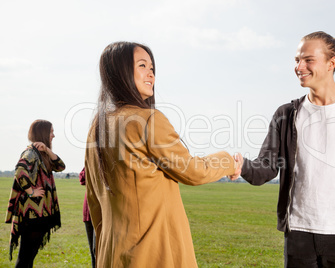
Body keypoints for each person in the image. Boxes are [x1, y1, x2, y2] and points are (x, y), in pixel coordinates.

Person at [233, 31, 335, 268]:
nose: (299, 66)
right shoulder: (286, 115)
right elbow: (266, 168)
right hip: (298, 236)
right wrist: (241, 165)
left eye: (308, 60)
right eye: (297, 60)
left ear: (331, 63)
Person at [85, 41, 240, 268]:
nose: (151, 75)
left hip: (111, 254)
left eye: (152, 68)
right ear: (120, 72)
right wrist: (228, 161)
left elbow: (94, 202)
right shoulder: (148, 120)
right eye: (142, 66)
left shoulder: (96, 128)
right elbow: (193, 171)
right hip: (152, 253)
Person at [5, 119, 65, 267]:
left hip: (39, 216)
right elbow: (20, 171)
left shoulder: (41, 153)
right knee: (25, 258)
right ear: (43, 133)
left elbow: (61, 166)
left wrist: (47, 150)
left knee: (28, 257)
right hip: (32, 216)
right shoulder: (31, 153)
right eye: (51, 132)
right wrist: (31, 192)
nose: (53, 135)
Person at [79, 167, 95, 268]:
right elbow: (82, 178)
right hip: (89, 212)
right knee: (93, 253)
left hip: (104, 214)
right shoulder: (91, 159)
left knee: (98, 251)